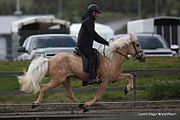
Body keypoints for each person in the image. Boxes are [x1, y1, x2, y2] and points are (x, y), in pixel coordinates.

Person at [77, 4, 109, 85]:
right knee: (93, 56)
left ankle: (86, 78)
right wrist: (105, 42)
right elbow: (93, 34)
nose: (98, 14)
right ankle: (91, 78)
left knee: (95, 53)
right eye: (97, 12)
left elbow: (93, 36)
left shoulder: (89, 20)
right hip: (84, 45)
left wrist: (104, 42)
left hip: (85, 45)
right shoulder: (88, 21)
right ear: (92, 13)